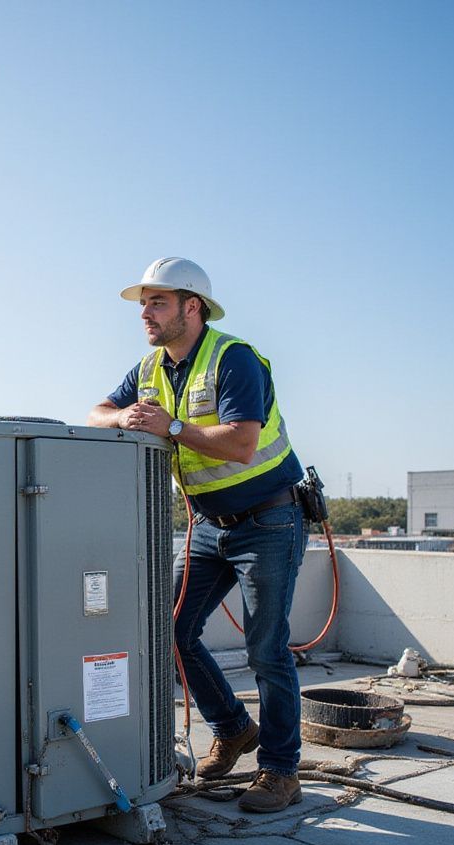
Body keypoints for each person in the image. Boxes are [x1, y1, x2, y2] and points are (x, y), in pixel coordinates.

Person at [88, 257, 306, 813]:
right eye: (143, 302)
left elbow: (240, 444)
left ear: (193, 307)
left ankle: (280, 771)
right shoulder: (151, 367)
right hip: (210, 526)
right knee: (168, 631)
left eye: (156, 301)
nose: (144, 312)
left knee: (267, 649)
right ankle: (233, 729)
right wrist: (123, 419)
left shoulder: (233, 359)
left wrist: (174, 427)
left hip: (270, 520)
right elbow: (96, 412)